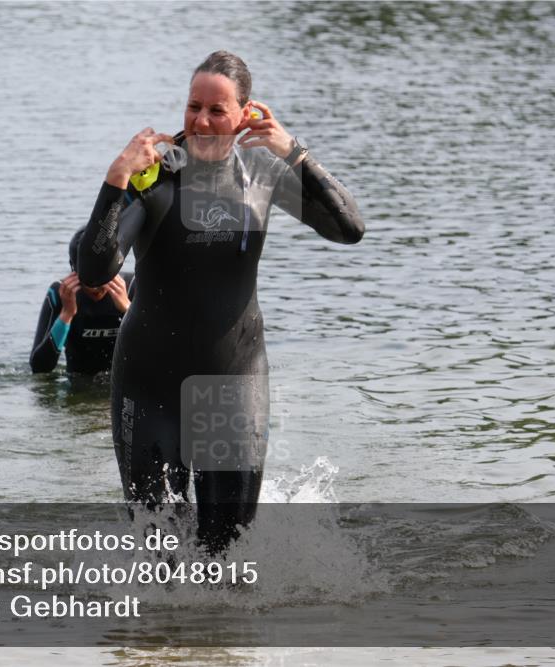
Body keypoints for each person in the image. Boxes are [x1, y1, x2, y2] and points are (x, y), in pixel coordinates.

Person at [77, 51, 364, 552]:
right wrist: (117, 175)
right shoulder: (156, 176)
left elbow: (348, 229)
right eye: (193, 107)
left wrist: (293, 151)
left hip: (232, 385)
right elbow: (95, 271)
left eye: (217, 109)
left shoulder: (263, 175)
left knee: (226, 554)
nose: (202, 121)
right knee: (159, 554)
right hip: (149, 387)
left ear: (246, 114)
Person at [29, 227, 133, 375]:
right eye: (88, 279)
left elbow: (159, 353)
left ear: (113, 269)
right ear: (74, 270)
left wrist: (128, 310)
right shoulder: (60, 294)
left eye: (101, 278)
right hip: (78, 387)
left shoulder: (133, 287)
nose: (95, 287)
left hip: (122, 387)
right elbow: (39, 369)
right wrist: (66, 315)